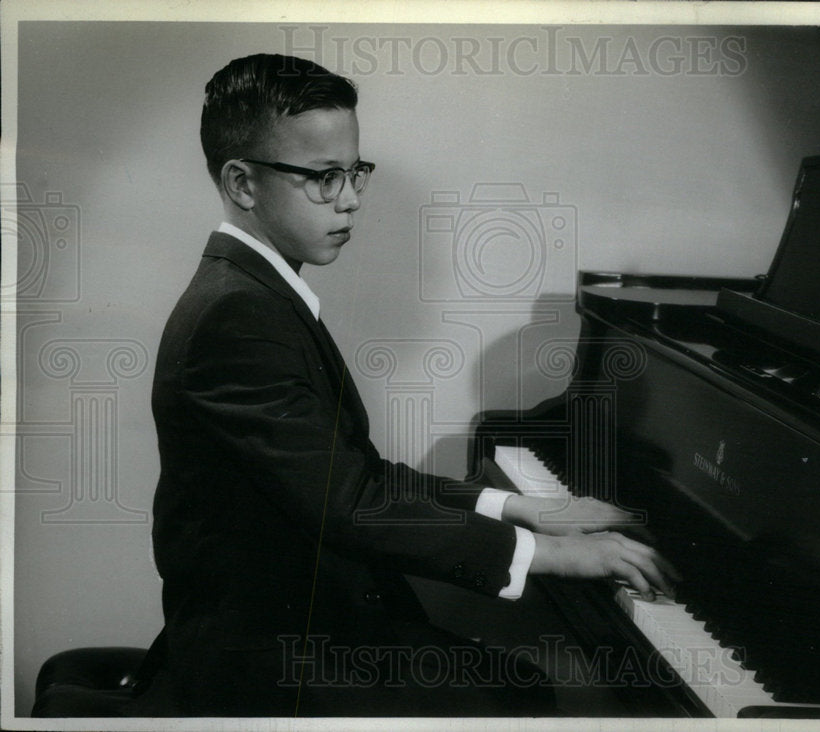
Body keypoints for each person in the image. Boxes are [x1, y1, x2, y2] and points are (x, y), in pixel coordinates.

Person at [126, 53, 672, 717]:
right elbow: (353, 505)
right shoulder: (236, 315)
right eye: (323, 178)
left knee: (517, 684)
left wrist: (519, 508)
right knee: (520, 692)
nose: (351, 197)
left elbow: (357, 477)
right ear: (242, 183)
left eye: (354, 172)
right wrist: (550, 553)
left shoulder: (253, 292)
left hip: (301, 624)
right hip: (266, 657)